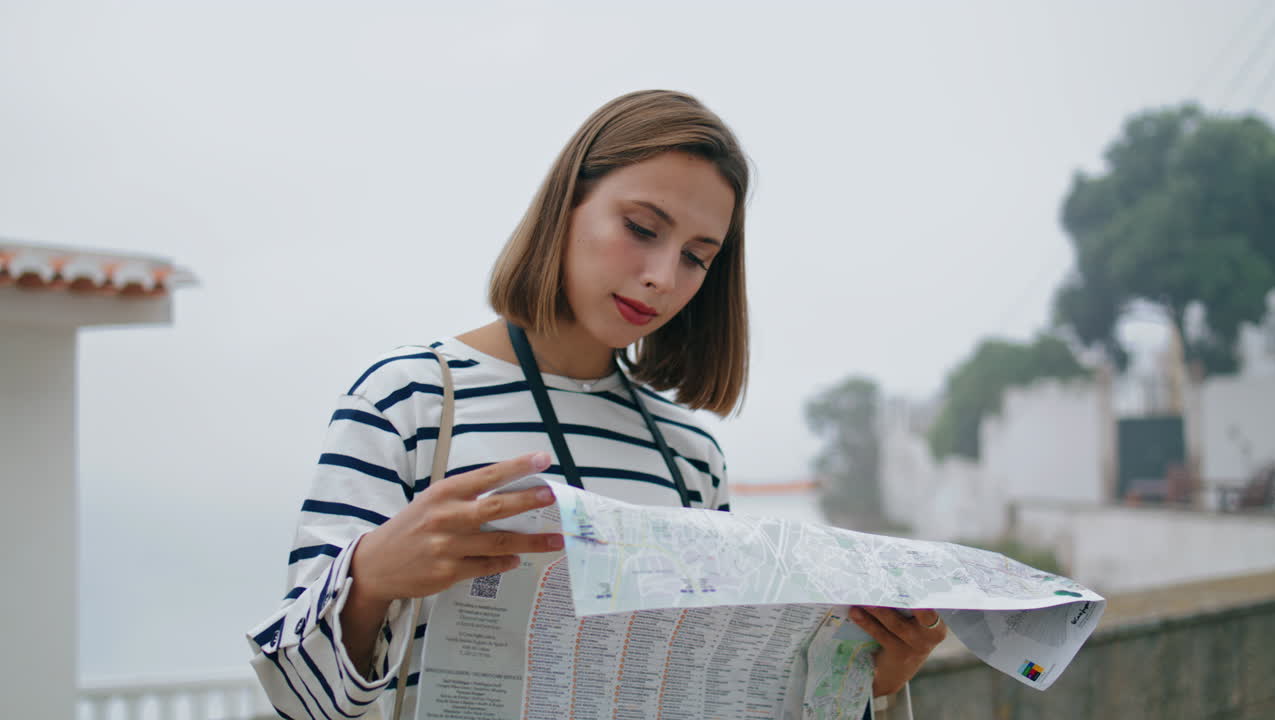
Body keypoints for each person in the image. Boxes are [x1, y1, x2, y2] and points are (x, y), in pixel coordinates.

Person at [246, 89, 945, 719]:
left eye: (699, 256)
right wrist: (368, 578)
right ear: (565, 204)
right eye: (642, 227)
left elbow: (719, 693)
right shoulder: (410, 399)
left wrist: (868, 679)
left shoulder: (689, 459)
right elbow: (293, 697)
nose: (662, 277)